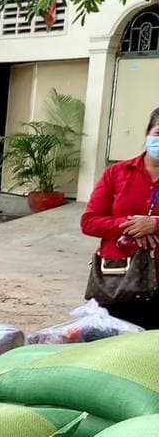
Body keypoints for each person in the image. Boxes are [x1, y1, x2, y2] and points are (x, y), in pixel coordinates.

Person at [81, 106, 159, 329]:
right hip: (119, 280)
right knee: (116, 343)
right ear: (147, 133)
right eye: (158, 133)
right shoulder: (116, 173)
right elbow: (89, 221)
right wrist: (132, 226)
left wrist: (154, 224)